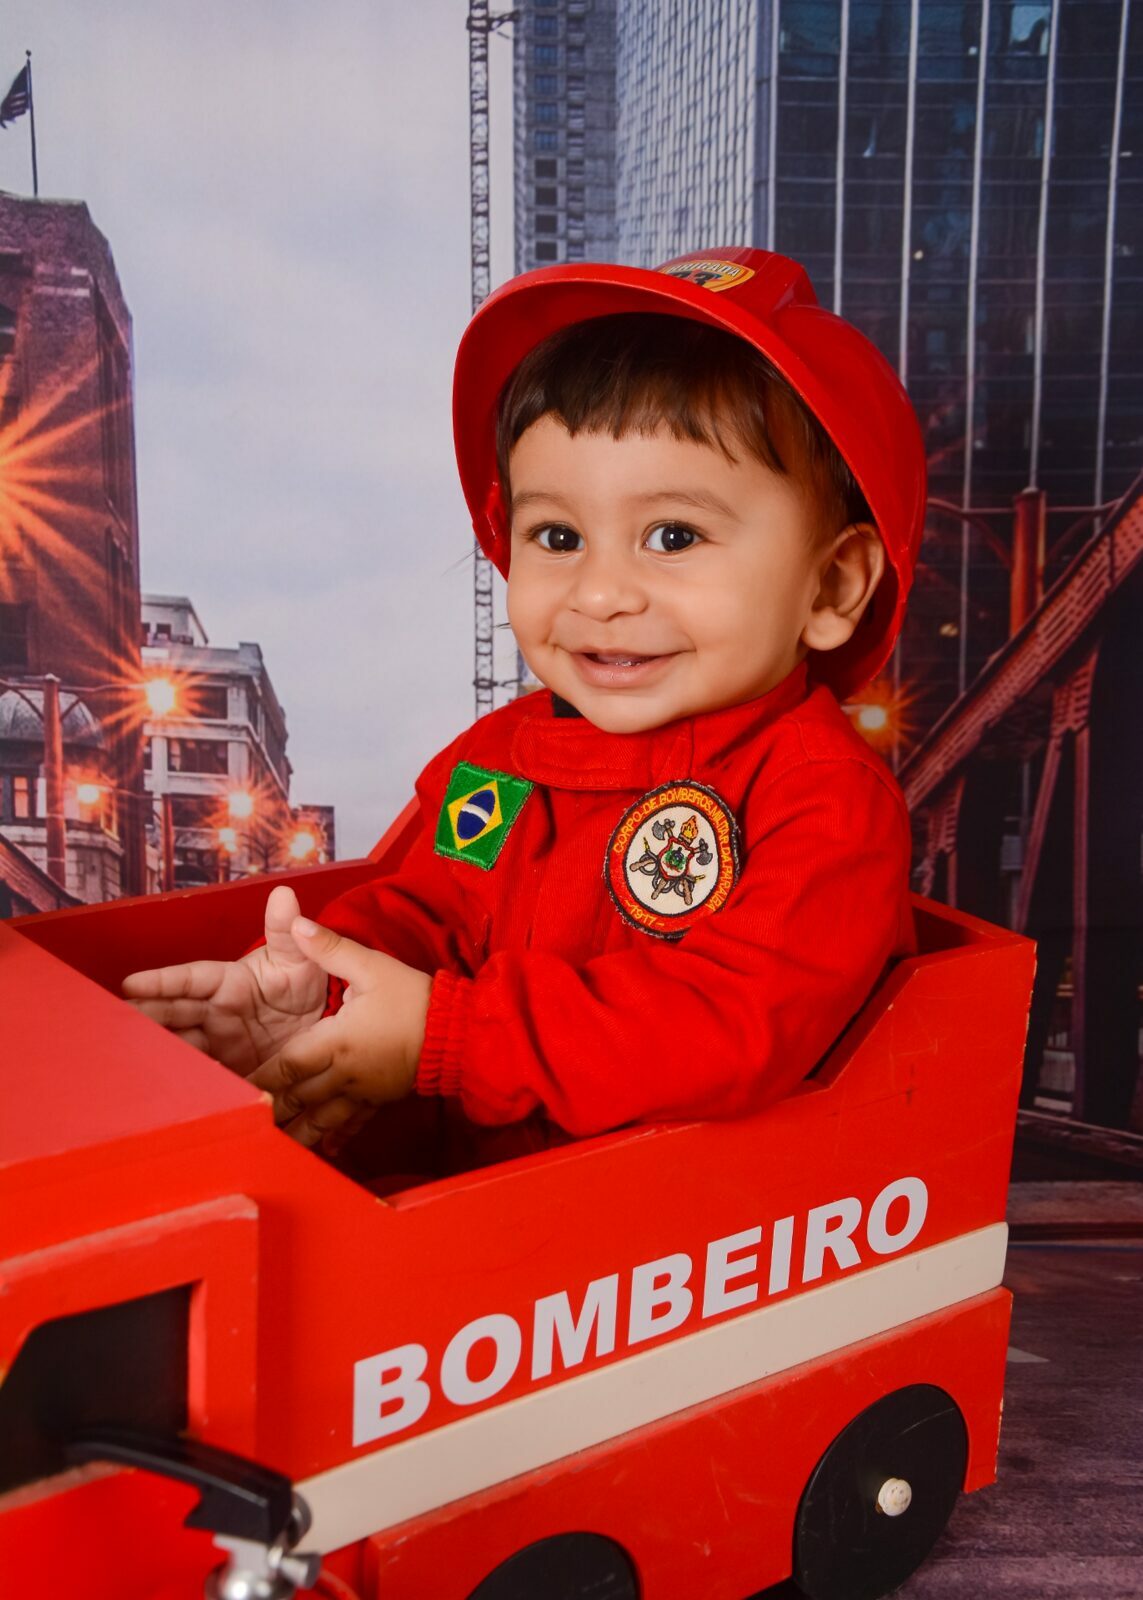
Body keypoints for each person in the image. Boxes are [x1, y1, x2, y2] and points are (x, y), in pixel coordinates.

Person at [124, 248, 925, 1169]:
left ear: (831, 586)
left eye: (672, 536)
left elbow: (730, 1022)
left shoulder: (820, 801)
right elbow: (439, 905)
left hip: (691, 1219)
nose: (600, 592)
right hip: (487, 1212)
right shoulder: (502, 766)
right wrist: (325, 983)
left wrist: (451, 1034)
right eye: (558, 535)